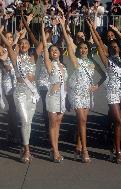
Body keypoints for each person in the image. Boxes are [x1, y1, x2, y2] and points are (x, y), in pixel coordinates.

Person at [60, 16, 106, 163]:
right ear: (78, 50)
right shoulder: (76, 60)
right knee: (82, 119)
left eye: (86, 48)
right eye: (81, 48)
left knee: (83, 121)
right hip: (76, 93)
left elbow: (104, 76)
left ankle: (78, 145)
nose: (83, 50)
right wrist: (63, 26)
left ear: (88, 49)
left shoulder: (92, 62)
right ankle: (85, 150)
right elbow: (68, 42)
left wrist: (97, 86)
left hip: (87, 93)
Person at [88, 18, 121, 164]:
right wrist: (92, 28)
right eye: (111, 47)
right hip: (112, 92)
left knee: (119, 121)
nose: (114, 48)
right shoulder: (108, 60)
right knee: (118, 120)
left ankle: (114, 144)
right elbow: (99, 44)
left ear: (119, 47)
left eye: (116, 46)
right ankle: (118, 151)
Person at [0, 25, 43, 163]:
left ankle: (25, 147)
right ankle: (27, 150)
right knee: (24, 120)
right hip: (19, 93)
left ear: (29, 46)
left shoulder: (33, 58)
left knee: (28, 122)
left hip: (32, 93)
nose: (23, 44)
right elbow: (7, 43)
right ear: (18, 45)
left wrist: (41, 29)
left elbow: (41, 44)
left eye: (26, 43)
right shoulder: (14, 58)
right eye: (21, 43)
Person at [41, 21, 67, 163]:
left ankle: (54, 149)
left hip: (62, 98)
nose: (54, 52)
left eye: (56, 50)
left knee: (58, 123)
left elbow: (65, 84)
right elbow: (45, 47)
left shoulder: (63, 65)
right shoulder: (50, 64)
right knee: (52, 124)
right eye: (52, 51)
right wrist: (44, 37)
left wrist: (63, 25)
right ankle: (55, 151)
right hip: (52, 97)